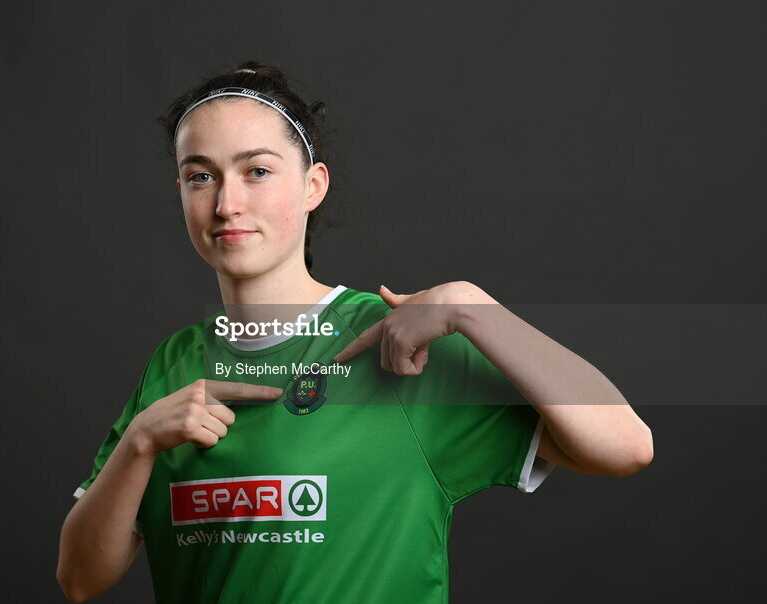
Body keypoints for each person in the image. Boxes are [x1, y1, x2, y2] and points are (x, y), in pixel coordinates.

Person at [56, 60, 654, 603]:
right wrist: (138, 444)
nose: (228, 203)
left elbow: (626, 446)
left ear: (313, 185)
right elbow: (80, 579)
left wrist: (473, 309)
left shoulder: (395, 343)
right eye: (200, 177)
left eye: (257, 171)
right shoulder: (174, 364)